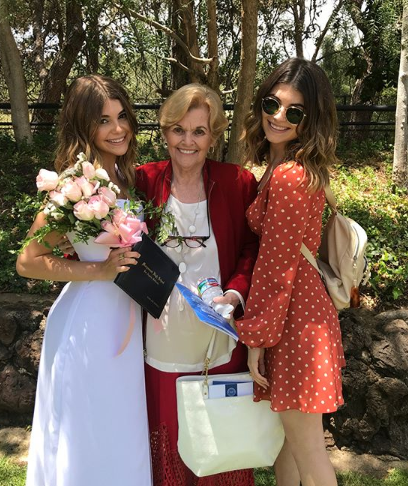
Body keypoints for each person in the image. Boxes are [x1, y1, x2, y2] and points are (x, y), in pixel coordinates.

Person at [16, 75, 152, 486]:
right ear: (84, 126)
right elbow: (28, 260)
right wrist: (98, 270)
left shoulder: (132, 180)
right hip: (88, 329)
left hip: (128, 322)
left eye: (122, 116)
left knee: (122, 430)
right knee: (88, 432)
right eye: (104, 120)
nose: (118, 128)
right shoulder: (74, 188)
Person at [135, 83, 259, 486]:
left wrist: (235, 293)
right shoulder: (143, 181)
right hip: (162, 339)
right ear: (165, 131)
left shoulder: (238, 182)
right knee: (170, 449)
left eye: (199, 131)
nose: (188, 141)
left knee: (221, 448)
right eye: (178, 130)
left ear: (214, 136)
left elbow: (250, 248)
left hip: (217, 341)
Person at [236, 58, 345, 486]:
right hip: (301, 317)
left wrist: (256, 339)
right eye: (272, 103)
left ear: (310, 119)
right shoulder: (289, 169)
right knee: (291, 447)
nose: (278, 116)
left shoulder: (288, 177)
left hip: (296, 324)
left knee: (310, 453)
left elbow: (276, 267)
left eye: (294, 111)